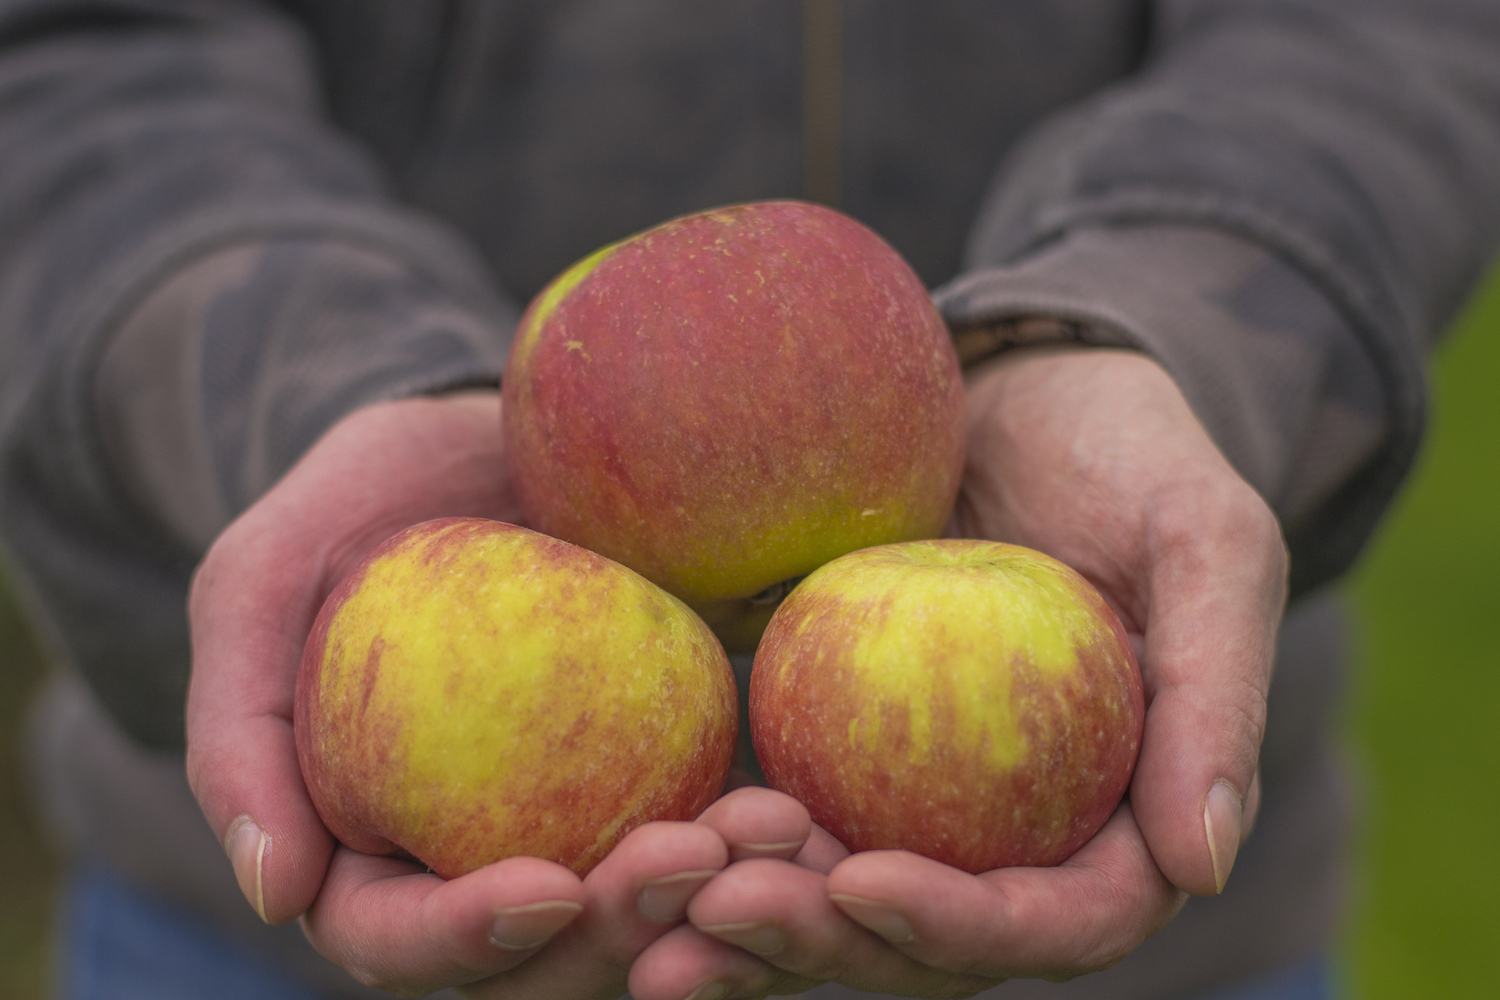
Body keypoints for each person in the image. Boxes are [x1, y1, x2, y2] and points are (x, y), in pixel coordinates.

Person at [2, 1, 1497, 998]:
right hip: (255, 939)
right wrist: (312, 378)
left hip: (1144, 908)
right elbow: (73, 55)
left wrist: (1150, 316)